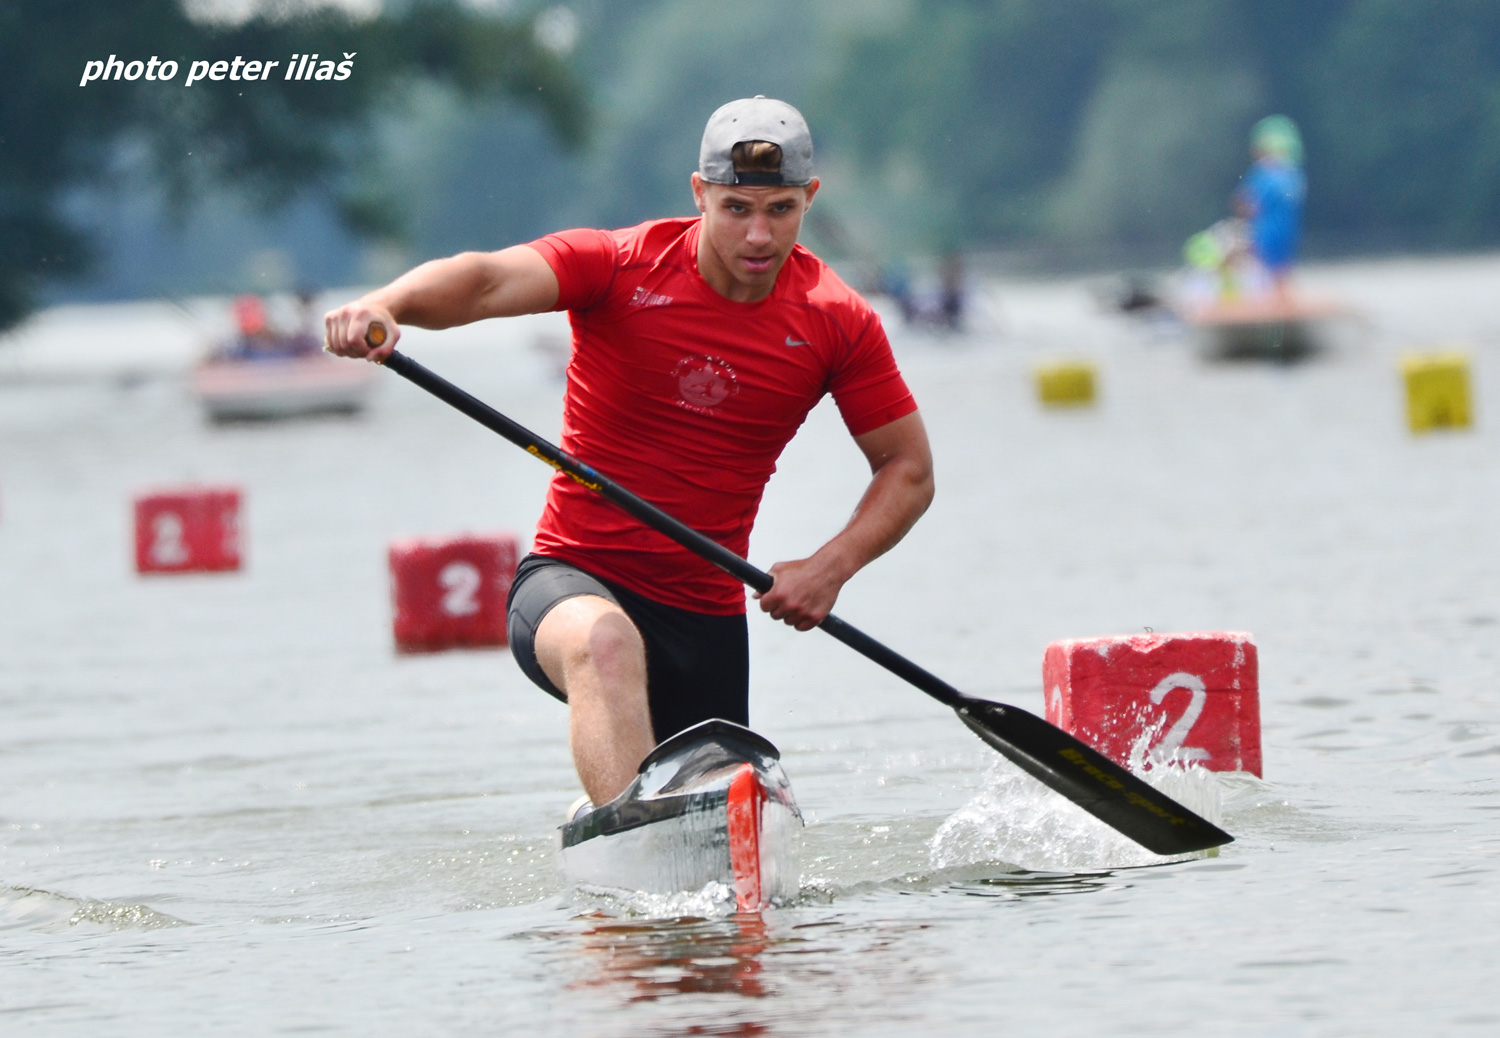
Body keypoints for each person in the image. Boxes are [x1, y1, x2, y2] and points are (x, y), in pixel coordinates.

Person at [323, 97, 934, 810]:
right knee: (606, 645)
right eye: (736, 208)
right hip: (572, 582)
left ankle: (644, 858)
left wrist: (831, 568)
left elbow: (908, 470)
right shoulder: (618, 267)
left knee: (730, 853)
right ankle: (632, 834)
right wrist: (384, 305)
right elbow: (483, 280)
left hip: (704, 615)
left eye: (781, 209)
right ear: (700, 193)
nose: (760, 234)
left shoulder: (838, 322)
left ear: (811, 199)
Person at [1234, 115, 1306, 304]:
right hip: (1288, 231)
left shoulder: (1264, 171)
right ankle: (1286, 303)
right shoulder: (1293, 172)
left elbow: (1245, 204)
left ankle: (1273, 308)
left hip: (1264, 232)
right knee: (1282, 271)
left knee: (1265, 272)